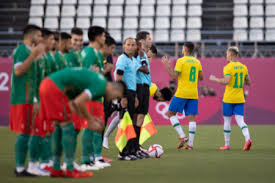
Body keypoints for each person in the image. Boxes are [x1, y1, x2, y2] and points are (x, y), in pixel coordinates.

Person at [39, 68, 126, 178]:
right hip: (54, 88)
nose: (114, 99)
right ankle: (69, 168)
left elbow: (73, 104)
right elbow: (78, 102)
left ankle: (56, 167)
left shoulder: (99, 81)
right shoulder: (101, 85)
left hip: (49, 85)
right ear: (115, 90)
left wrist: (90, 119)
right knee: (68, 127)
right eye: (117, 97)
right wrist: (90, 120)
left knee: (60, 125)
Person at [10, 24, 45, 176]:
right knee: (24, 133)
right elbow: (18, 71)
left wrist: (36, 99)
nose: (40, 38)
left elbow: (34, 80)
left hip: (29, 99)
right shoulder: (21, 51)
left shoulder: (29, 52)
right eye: (38, 35)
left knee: (28, 132)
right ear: (30, 36)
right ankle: (19, 169)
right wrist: (33, 56)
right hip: (21, 98)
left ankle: (24, 167)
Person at [162, 42, 203, 150]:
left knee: (170, 113)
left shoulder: (181, 61)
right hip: (194, 93)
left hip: (182, 92)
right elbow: (201, 77)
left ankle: (182, 136)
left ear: (184, 49)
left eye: (182, 48)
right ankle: (190, 144)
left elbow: (174, 76)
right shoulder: (197, 62)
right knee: (192, 119)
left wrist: (167, 65)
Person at [209, 46, 252, 151]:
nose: (226, 56)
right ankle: (248, 139)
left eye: (227, 54)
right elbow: (249, 82)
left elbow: (226, 81)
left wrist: (215, 79)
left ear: (232, 55)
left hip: (229, 98)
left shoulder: (228, 67)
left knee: (227, 121)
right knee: (240, 121)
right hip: (239, 98)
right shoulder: (243, 67)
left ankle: (226, 145)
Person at [80, 26, 110, 171]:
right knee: (90, 126)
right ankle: (86, 160)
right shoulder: (89, 53)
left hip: (97, 96)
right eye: (103, 36)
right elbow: (85, 75)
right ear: (97, 37)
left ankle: (96, 157)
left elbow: (96, 75)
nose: (105, 38)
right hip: (89, 96)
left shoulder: (97, 54)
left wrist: (103, 72)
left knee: (98, 126)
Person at [115, 38, 140, 160]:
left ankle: (129, 151)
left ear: (136, 47)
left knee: (129, 123)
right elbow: (118, 78)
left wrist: (134, 96)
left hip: (131, 93)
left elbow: (132, 80)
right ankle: (122, 152)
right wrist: (123, 96)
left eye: (133, 45)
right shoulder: (122, 59)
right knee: (124, 123)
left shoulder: (133, 60)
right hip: (125, 93)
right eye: (128, 44)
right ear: (124, 46)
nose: (130, 47)